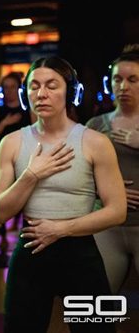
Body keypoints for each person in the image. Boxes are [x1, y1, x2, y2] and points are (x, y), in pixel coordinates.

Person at [0, 56, 126, 333]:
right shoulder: (12, 143)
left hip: (80, 252)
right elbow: (0, 211)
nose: (41, 93)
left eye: (52, 85)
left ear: (71, 91)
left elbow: (117, 210)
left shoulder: (95, 142)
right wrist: (31, 175)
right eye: (34, 86)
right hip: (31, 249)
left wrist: (61, 229)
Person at [86, 44, 139, 293]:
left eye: (132, 79)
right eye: (117, 79)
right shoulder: (96, 125)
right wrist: (107, 192)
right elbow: (78, 178)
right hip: (107, 227)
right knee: (98, 303)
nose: (123, 86)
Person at [0, 72, 32, 263]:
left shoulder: (26, 109)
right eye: (5, 87)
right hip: (0, 164)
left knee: (24, 206)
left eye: (12, 87)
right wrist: (4, 123)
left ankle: (24, 249)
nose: (9, 91)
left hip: (24, 164)